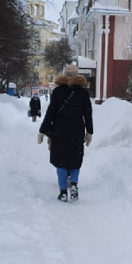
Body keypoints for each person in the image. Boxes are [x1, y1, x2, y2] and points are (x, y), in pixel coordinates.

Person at [38, 65, 93, 202]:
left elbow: (51, 113)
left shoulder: (57, 92)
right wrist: (89, 132)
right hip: (77, 130)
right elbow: (88, 114)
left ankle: (63, 192)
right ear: (77, 76)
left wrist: (42, 131)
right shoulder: (83, 93)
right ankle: (73, 184)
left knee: (61, 161)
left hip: (59, 130)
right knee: (75, 159)